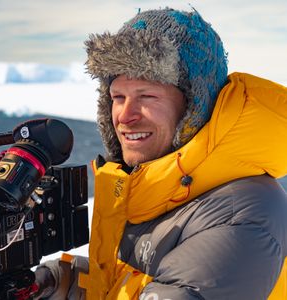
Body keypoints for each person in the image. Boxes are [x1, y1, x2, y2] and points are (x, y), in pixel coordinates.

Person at [33, 7, 287, 300]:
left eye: (147, 96)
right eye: (118, 97)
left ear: (195, 107)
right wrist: (58, 283)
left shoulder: (243, 214)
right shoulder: (155, 189)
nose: (125, 116)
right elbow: (133, 282)